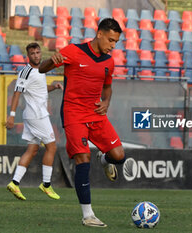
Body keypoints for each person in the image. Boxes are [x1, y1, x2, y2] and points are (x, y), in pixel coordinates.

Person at [39, 18, 125, 228]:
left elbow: (107, 87)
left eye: (116, 42)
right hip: (73, 113)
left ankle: (104, 160)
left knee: (118, 156)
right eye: (111, 40)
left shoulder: (108, 61)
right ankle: (88, 215)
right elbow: (41, 69)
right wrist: (52, 60)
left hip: (96, 114)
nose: (113, 46)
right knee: (82, 158)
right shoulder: (73, 51)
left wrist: (106, 101)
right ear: (99, 34)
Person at [6, 42, 63, 201]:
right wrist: (11, 115)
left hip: (34, 115)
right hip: (37, 115)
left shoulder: (41, 69)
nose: (36, 55)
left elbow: (39, 88)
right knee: (52, 147)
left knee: (32, 150)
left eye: (38, 52)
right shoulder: (25, 71)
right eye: (33, 53)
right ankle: (46, 185)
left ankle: (15, 183)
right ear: (28, 56)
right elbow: (17, 93)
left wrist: (54, 86)